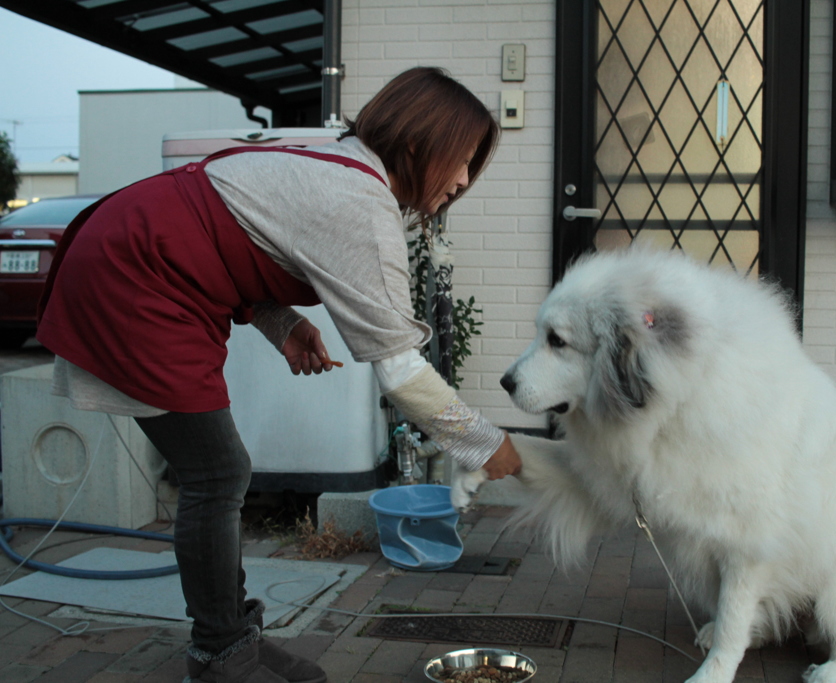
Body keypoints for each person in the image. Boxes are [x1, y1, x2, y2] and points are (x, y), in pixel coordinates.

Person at [35, 66, 522, 683]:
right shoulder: (361, 203)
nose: (461, 181)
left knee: (218, 472)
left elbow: (229, 232)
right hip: (133, 276)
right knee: (218, 473)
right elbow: (400, 369)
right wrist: (485, 443)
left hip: (132, 251)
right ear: (420, 140)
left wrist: (280, 323)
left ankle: (230, 636)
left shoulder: (336, 165)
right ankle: (221, 656)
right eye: (462, 160)